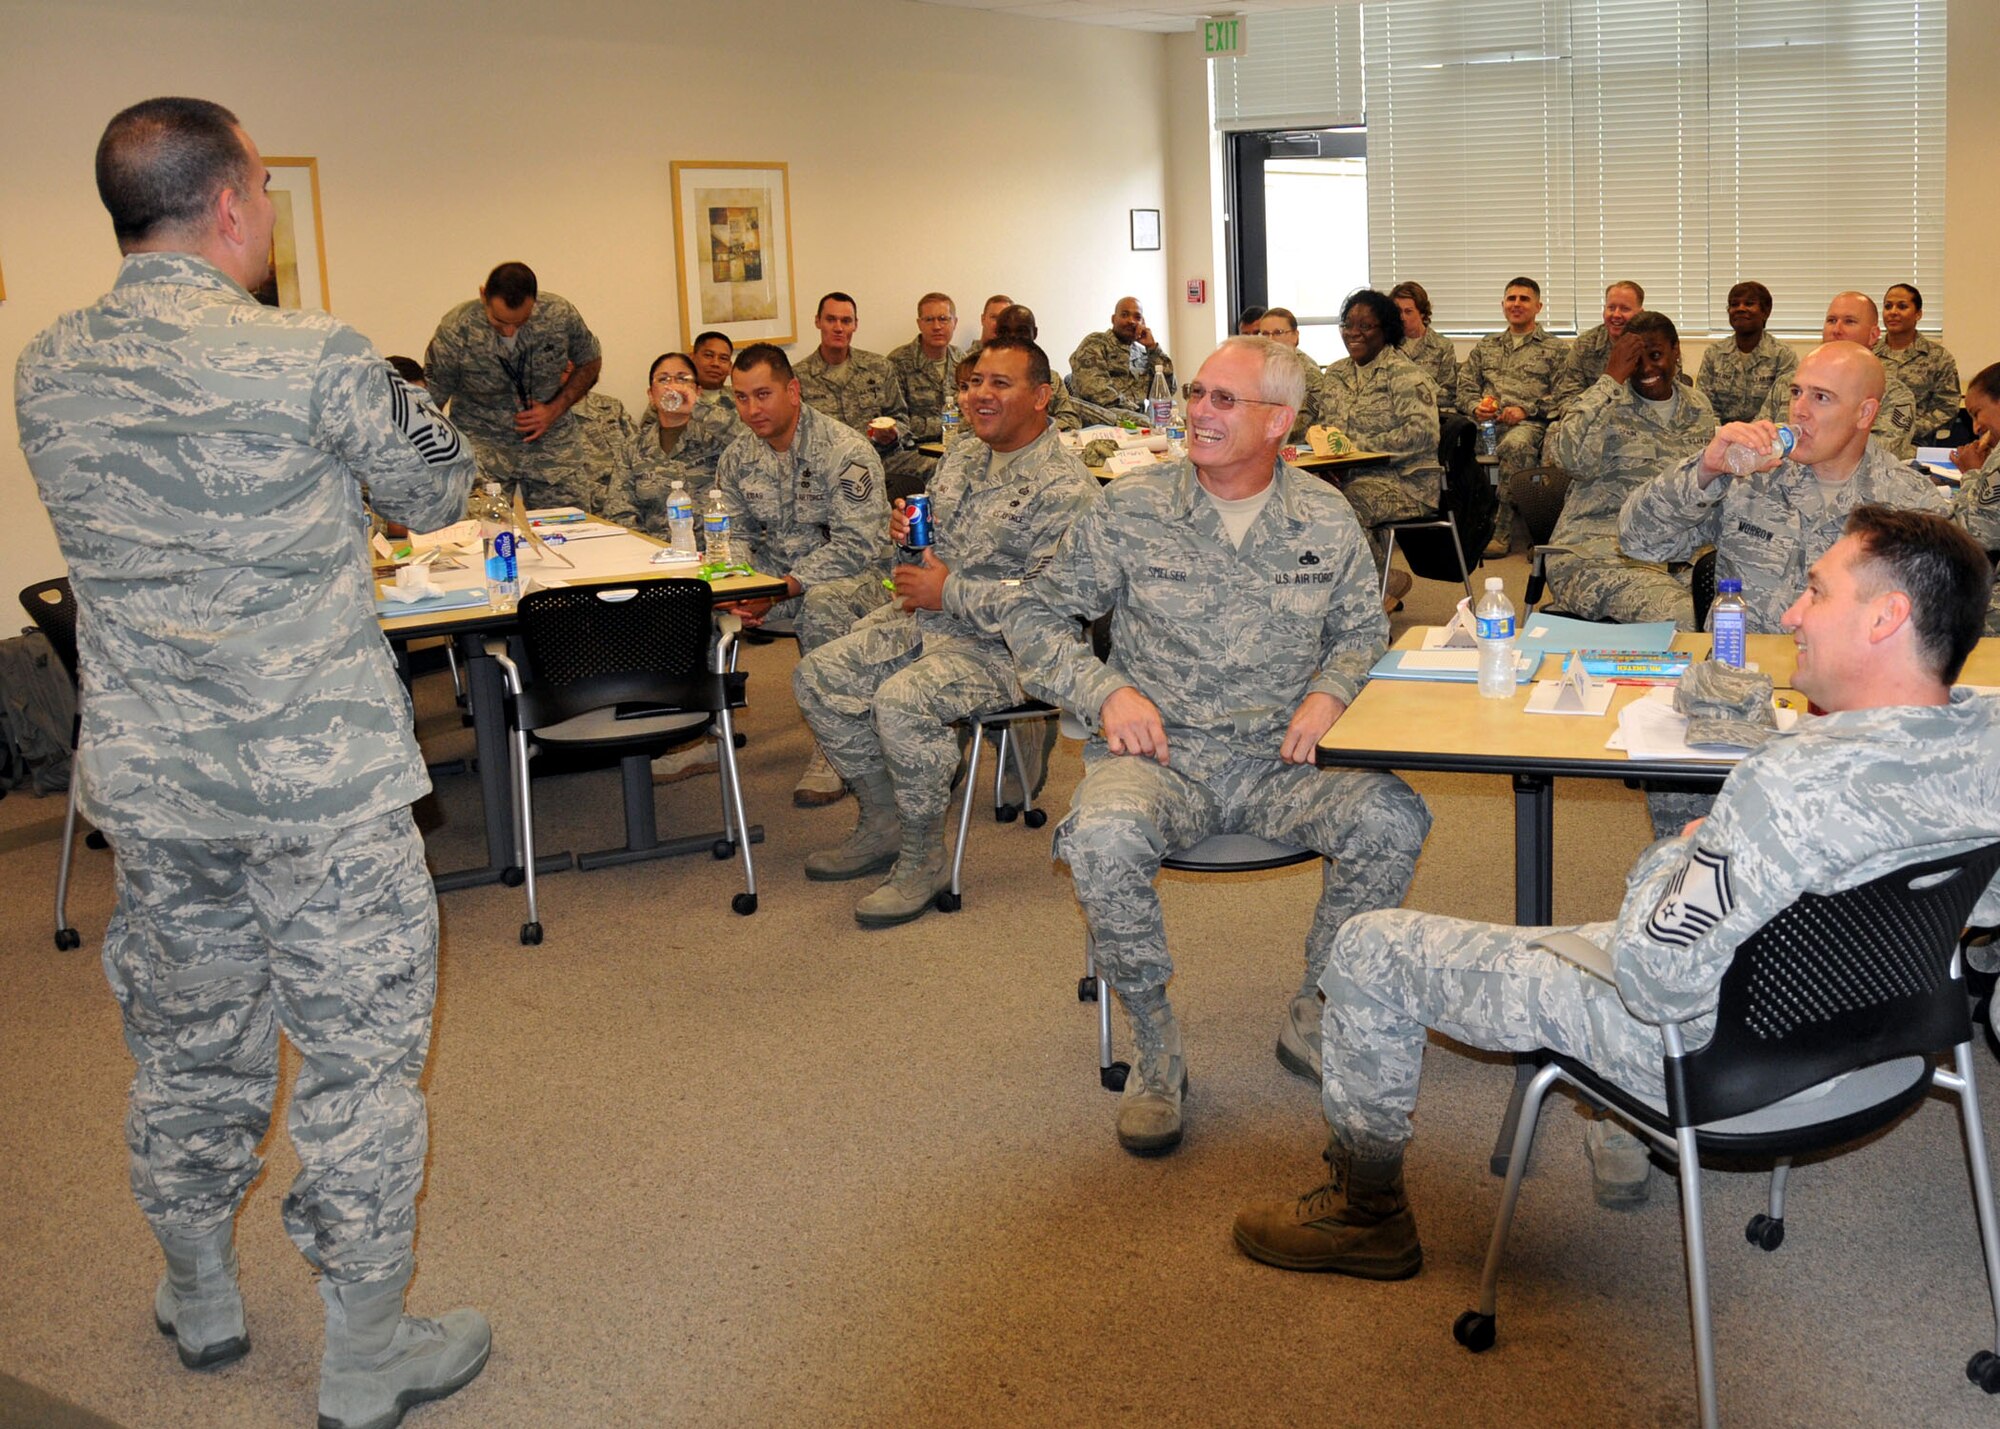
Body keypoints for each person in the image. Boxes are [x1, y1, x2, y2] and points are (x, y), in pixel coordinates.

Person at [14, 97, 489, 1429]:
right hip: (321, 786)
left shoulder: (45, 365)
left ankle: (202, 1292)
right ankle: (365, 1355)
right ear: (231, 202)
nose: (268, 210)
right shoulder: (314, 354)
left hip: (160, 791)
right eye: (266, 189)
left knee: (188, 1046)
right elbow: (440, 486)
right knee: (359, 1064)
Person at [1232, 505, 2000, 1280]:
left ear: (1885, 617)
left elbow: (1652, 978)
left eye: (1817, 591)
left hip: (1718, 1052)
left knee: (1369, 947)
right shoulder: (1987, 742)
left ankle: (1365, 1214)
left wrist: (1677, 853)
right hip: (1883, 1038)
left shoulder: (1782, 786)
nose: (1794, 612)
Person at [944, 337, 1433, 1156]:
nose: (1199, 411)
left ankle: (1319, 1009)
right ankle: (1155, 1043)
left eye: (1223, 400)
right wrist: (1106, 691)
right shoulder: (1132, 508)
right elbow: (1034, 614)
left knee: (1393, 818)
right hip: (1160, 759)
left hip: (1283, 761)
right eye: (1197, 393)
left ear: (1278, 421)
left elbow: (1360, 631)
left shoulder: (1324, 515)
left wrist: (1332, 691)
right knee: (1101, 837)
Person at [793, 337, 1097, 926]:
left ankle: (921, 857)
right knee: (817, 678)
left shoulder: (1067, 489)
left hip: (1012, 649)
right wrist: (905, 536)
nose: (980, 394)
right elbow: (929, 550)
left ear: (1041, 396)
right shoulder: (960, 456)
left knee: (901, 701)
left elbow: (1053, 604)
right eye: (974, 382)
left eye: (1000, 383)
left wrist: (950, 590)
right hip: (928, 620)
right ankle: (882, 822)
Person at [1627, 343, 1952, 634]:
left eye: (1821, 397)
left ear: (1864, 414)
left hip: (1849, 679)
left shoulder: (1910, 504)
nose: (1799, 409)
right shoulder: (1751, 478)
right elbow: (1638, 541)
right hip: (1741, 673)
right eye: (1796, 392)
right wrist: (1704, 470)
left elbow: (1936, 627)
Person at [714, 343, 893, 805]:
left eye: (763, 395)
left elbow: (857, 546)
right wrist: (739, 587)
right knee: (692, 597)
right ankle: (703, 727)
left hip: (861, 578)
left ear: (793, 391)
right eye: (741, 398)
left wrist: (778, 590)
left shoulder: (844, 450)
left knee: (822, 603)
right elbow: (733, 533)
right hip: (776, 577)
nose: (752, 410)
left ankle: (834, 749)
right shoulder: (737, 456)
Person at [1542, 311, 1717, 626]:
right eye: (1635, 360)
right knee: (1685, 618)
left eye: (1655, 356)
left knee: (1741, 611)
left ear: (1676, 350)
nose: (1646, 369)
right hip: (1600, 556)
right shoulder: (1605, 403)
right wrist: (1610, 378)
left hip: (1678, 556)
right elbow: (1570, 460)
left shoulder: (1697, 407)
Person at [423, 260, 604, 510]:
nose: (509, 332)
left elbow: (590, 361)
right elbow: (432, 400)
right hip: (482, 445)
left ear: (534, 301)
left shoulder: (559, 314)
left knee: (573, 525)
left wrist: (554, 409)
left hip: (552, 446)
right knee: (479, 527)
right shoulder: (456, 329)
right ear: (483, 296)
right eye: (499, 321)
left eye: (520, 322)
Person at [1306, 289, 1442, 609]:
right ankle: (1366, 587)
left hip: (1406, 482)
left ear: (1387, 330)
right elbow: (1325, 427)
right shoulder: (1336, 373)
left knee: (1345, 506)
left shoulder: (1406, 375)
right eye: (1348, 325)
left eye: (1365, 326)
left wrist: (1355, 449)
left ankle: (1370, 600)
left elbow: (1423, 434)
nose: (1353, 333)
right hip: (1347, 476)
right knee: (1303, 500)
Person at [1458, 277, 1567, 556]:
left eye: (1524, 299)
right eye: (1511, 298)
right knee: (1451, 442)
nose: (1516, 304)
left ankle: (1502, 532)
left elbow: (1564, 395)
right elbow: (1465, 386)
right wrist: (1475, 406)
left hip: (1528, 427)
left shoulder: (1556, 349)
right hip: (1486, 428)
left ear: (1538, 306)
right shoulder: (1487, 346)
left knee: (1515, 446)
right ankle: (1462, 528)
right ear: (1503, 304)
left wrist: (1526, 409)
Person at [1758, 292, 1917, 458]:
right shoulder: (1788, 382)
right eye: (1831, 321)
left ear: (1873, 335)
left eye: (1849, 322)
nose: (1837, 330)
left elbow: (1883, 451)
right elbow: (1759, 436)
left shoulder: (1894, 394)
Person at [793, 291, 921, 492]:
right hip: (828, 469)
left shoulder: (878, 367)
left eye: (846, 321)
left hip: (883, 459)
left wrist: (894, 434)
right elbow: (797, 438)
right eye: (831, 320)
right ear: (818, 322)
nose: (838, 328)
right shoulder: (798, 377)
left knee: (937, 469)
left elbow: (901, 418)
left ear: (855, 325)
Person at [1695, 281, 1797, 426]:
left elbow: (1783, 409)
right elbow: (1704, 407)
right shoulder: (1714, 353)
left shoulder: (1783, 355)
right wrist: (1721, 433)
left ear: (1765, 312)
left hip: (1765, 434)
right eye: (1734, 304)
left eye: (1749, 304)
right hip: (1720, 433)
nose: (1740, 309)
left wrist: (1749, 435)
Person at [1874, 283, 1962, 442]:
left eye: (1902, 306)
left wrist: (1906, 429)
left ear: (1918, 314)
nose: (1893, 312)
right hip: (1869, 441)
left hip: (1916, 444)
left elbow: (1947, 407)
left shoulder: (1938, 357)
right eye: (1888, 306)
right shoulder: (1868, 354)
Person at [1069, 296, 1174, 424]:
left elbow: (1167, 390)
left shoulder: (1142, 353)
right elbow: (1093, 390)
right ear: (1113, 319)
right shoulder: (1095, 343)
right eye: (1125, 315)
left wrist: (1153, 348)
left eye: (1137, 317)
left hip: (1135, 419)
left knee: (1171, 413)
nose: (1131, 321)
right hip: (1101, 416)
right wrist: (1134, 410)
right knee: (1150, 422)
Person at [888, 291, 964, 465]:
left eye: (943, 319)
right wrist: (951, 425)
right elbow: (899, 423)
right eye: (929, 320)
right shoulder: (898, 362)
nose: (937, 326)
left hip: (958, 446)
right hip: (915, 450)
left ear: (954, 322)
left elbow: (971, 413)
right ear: (919, 324)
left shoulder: (962, 360)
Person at [1548, 280, 1645, 417]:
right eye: (1611, 308)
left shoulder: (1653, 345)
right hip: (1593, 420)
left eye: (1625, 309)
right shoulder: (1585, 344)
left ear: (1640, 313)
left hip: (1640, 421)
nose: (1616, 315)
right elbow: (1567, 396)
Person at [992, 304, 1085, 432]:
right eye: (1005, 332)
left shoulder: (1050, 378)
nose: (1013, 338)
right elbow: (969, 424)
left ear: (1034, 333)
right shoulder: (980, 376)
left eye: (1021, 331)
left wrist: (1030, 431)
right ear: (996, 334)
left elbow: (1071, 420)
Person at [1253, 306, 1324, 440]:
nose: (1271, 340)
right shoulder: (1256, 369)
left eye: (1278, 333)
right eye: (1265, 334)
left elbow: (1299, 426)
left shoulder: (1309, 374)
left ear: (1295, 336)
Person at [1389, 282, 1459, 418]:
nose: (1402, 317)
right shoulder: (1389, 345)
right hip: (1394, 416)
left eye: (1408, 311)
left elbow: (1449, 396)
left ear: (1421, 313)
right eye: (1398, 311)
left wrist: (1416, 391)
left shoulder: (1442, 346)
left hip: (1430, 416)